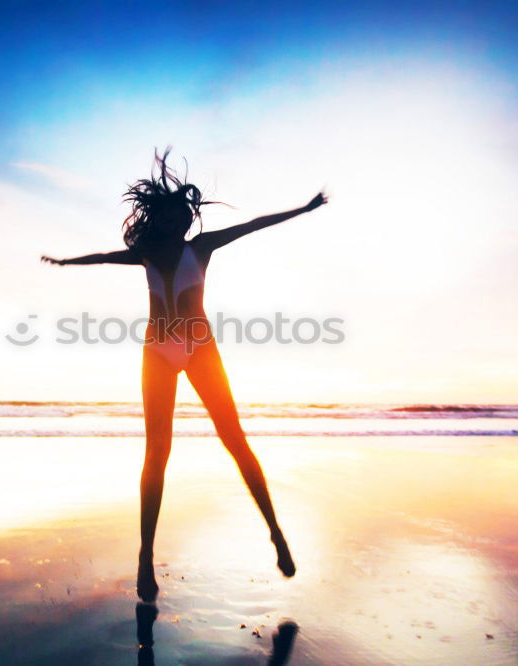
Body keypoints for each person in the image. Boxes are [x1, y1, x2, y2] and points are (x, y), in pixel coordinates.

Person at [41, 148, 328, 601]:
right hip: (157, 351)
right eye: (169, 214)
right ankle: (145, 556)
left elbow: (255, 225)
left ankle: (275, 531)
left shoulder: (204, 245)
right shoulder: (146, 252)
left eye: (181, 214)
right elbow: (102, 256)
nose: (176, 220)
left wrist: (304, 209)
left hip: (201, 350)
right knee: (157, 453)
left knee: (235, 440)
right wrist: (65, 263)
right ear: (160, 217)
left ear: (187, 217)